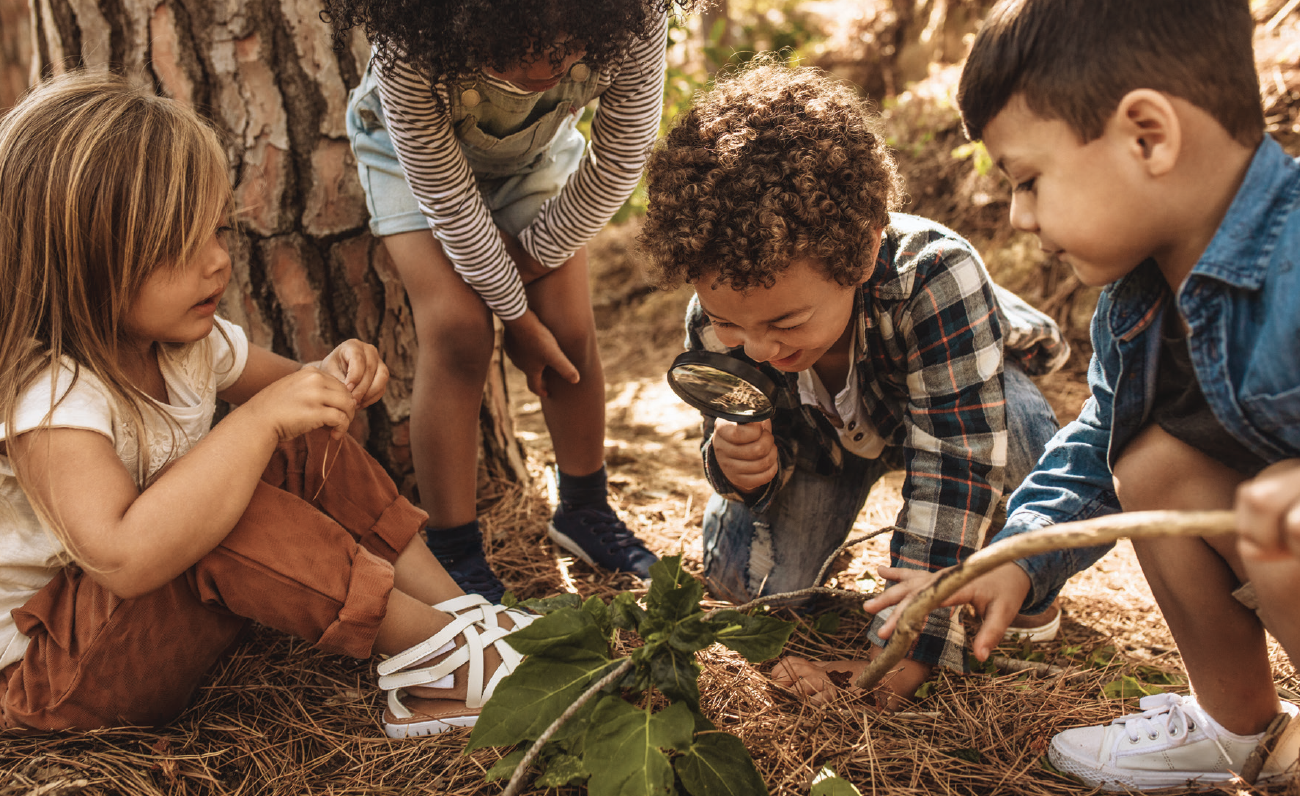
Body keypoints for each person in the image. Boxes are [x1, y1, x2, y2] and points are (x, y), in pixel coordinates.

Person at [834, 0, 1300, 789]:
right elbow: (1094, 442)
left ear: (1147, 135)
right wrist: (1017, 558)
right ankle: (1234, 728)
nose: (1019, 217)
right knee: (1149, 465)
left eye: (1029, 180)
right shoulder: (1135, 299)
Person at [0, 72, 529, 738]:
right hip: (54, 680)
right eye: (177, 248)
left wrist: (333, 373)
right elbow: (123, 558)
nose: (218, 263)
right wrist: (257, 420)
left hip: (134, 630)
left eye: (219, 231)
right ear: (78, 262)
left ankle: (461, 617)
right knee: (226, 505)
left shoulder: (186, 343)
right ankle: (442, 663)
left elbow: (298, 398)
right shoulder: (51, 396)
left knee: (297, 442)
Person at [638, 59, 1069, 710]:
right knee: (743, 582)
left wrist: (907, 644)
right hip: (824, 446)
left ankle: (1019, 579)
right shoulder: (720, 317)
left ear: (863, 252)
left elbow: (954, 461)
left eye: (785, 320)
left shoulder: (936, 277)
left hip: (952, 406)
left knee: (1025, 430)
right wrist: (740, 470)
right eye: (730, 323)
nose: (757, 348)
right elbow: (727, 437)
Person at [323, 0, 698, 599]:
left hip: (536, 159)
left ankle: (584, 509)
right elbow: (448, 201)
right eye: (522, 47)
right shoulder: (410, 47)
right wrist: (516, 319)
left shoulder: (634, 17)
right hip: (413, 165)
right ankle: (454, 549)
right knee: (458, 332)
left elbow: (621, 160)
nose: (549, 68)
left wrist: (525, 268)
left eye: (567, 46)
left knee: (571, 329)